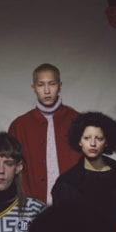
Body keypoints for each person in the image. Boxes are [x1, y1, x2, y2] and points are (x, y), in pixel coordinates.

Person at [8, 63, 80, 204]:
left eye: (52, 84)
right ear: (33, 88)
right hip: (31, 205)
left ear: (60, 86)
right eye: (41, 85)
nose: (47, 91)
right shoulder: (19, 125)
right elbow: (10, 167)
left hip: (73, 204)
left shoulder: (77, 121)